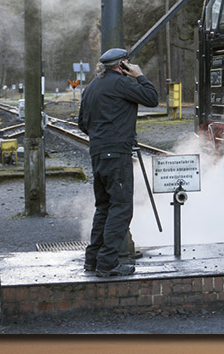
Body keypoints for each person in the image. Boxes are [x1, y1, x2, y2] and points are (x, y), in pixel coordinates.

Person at [78, 47, 159, 277]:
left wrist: (102, 136)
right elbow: (152, 98)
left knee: (104, 207)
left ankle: (92, 260)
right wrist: (139, 75)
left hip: (98, 154)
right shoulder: (122, 83)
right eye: (127, 62)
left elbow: (82, 124)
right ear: (122, 64)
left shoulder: (91, 87)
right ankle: (107, 263)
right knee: (121, 208)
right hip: (116, 155)